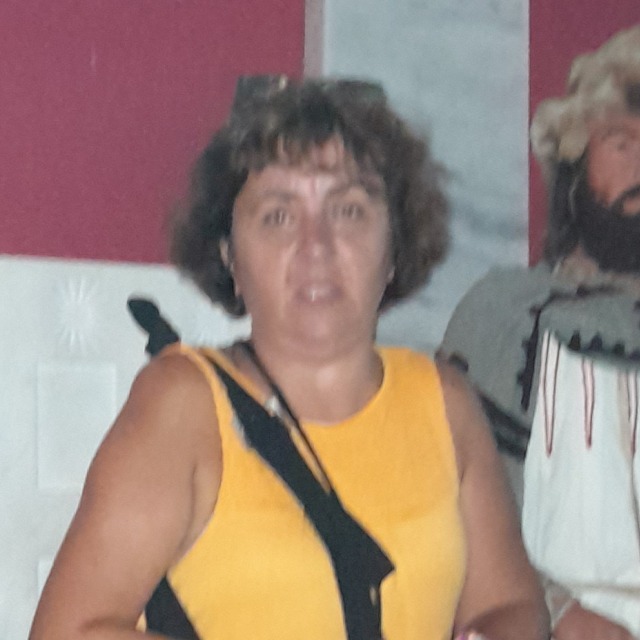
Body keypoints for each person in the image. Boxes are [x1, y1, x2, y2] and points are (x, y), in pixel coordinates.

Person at [30, 75, 547, 640]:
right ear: (230, 256)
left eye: (348, 211)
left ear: (394, 248)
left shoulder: (445, 402)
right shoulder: (183, 405)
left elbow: (511, 605)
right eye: (278, 216)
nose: (315, 246)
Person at [440, 25, 640, 640]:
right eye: (622, 143)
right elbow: (449, 507)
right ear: (574, 162)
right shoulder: (503, 314)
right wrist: (557, 612)